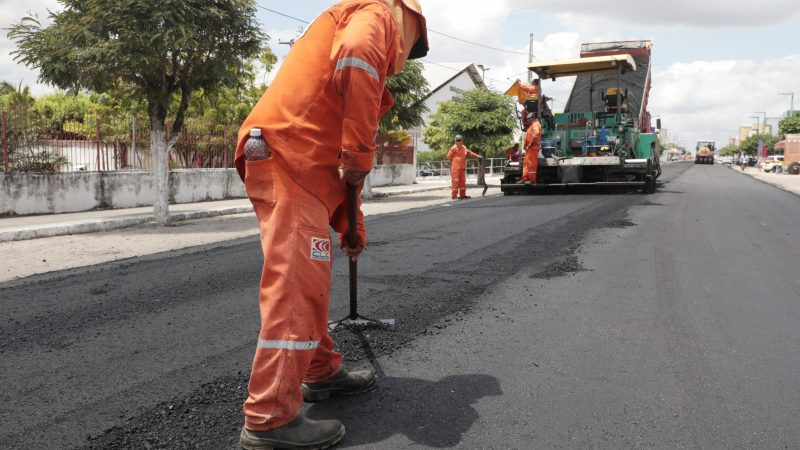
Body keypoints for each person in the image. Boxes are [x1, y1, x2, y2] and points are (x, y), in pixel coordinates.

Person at [233, 1, 429, 448]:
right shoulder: (377, 15)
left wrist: (350, 226)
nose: (402, 59)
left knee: (310, 274)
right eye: (412, 45)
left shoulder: (348, 24)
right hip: (292, 155)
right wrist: (361, 156)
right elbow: (360, 53)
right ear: (410, 20)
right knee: (298, 284)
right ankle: (268, 418)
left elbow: (338, 169)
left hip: (301, 161)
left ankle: (321, 372)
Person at [447, 135, 482, 199]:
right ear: (455, 141)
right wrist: (456, 162)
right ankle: (454, 195)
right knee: (455, 181)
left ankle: (462, 195)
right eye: (457, 140)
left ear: (462, 141)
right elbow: (449, 157)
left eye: (459, 140)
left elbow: (470, 153)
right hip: (455, 168)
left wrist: (477, 156)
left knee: (462, 181)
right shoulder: (453, 148)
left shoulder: (464, 148)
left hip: (462, 168)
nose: (458, 142)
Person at [522, 113, 542, 184]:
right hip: (529, 148)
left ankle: (532, 180)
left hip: (533, 148)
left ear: (532, 118)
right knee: (526, 163)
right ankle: (525, 178)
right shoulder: (532, 125)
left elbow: (536, 134)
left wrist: (530, 143)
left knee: (531, 164)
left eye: (528, 119)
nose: (527, 120)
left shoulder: (536, 124)